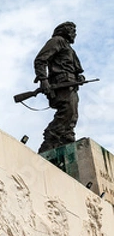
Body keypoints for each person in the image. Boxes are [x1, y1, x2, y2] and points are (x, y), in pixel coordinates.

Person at [34, 21, 84, 153]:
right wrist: (44, 80)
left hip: (71, 85)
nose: (75, 34)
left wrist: (79, 77)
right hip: (60, 84)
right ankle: (51, 139)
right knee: (67, 111)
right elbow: (40, 60)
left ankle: (66, 137)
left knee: (72, 114)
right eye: (72, 31)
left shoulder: (69, 48)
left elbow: (75, 69)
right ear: (64, 31)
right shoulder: (57, 41)